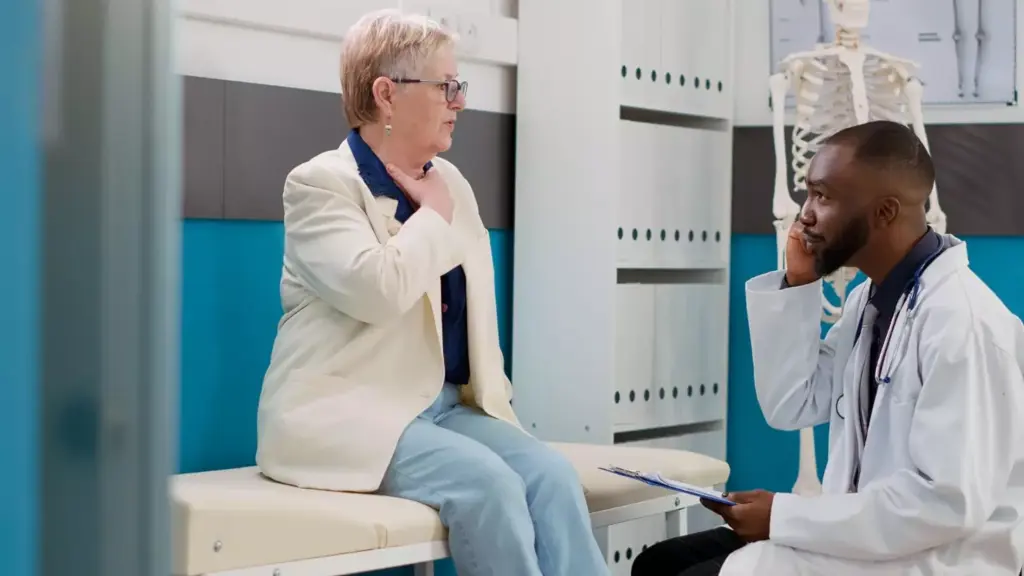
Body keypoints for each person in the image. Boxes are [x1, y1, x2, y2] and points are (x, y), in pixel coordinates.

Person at [253, 9, 609, 576]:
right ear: (386, 95)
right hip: (350, 414)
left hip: (443, 408)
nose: (459, 102)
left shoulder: (450, 183)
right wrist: (433, 216)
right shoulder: (320, 186)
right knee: (489, 486)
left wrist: (497, 410)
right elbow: (378, 290)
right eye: (446, 86)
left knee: (553, 478)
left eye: (458, 86)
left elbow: (475, 325)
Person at [632, 120, 1024, 576]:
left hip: (937, 556)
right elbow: (792, 404)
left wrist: (783, 516)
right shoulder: (873, 300)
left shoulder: (964, 324)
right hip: (869, 534)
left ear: (884, 212)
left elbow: (947, 504)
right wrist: (798, 282)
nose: (805, 216)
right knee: (660, 563)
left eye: (823, 196)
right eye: (808, 195)